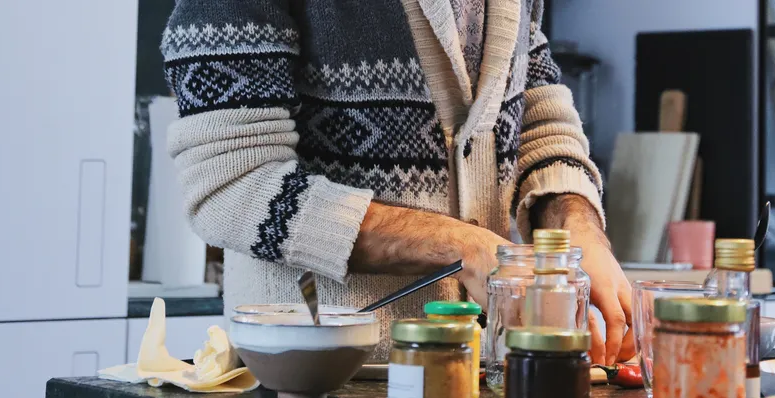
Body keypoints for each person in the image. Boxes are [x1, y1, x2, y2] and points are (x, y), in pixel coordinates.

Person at [161, 0, 635, 365]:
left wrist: (577, 231)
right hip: (314, 384)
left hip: (470, 375)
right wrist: (461, 248)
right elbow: (229, 184)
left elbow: (534, 116)